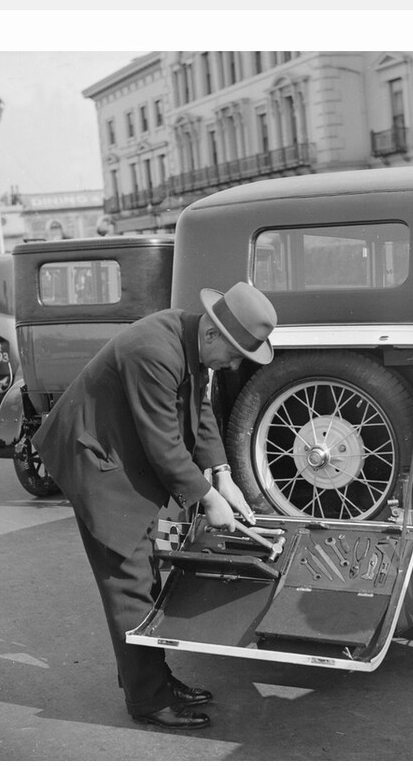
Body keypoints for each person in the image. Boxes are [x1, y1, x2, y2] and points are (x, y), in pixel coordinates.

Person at [32, 282, 277, 729]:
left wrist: (222, 474)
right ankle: (148, 701)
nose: (235, 363)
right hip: (97, 460)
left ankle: (154, 678)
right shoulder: (153, 350)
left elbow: (199, 412)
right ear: (212, 334)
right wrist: (208, 500)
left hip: (122, 457)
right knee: (130, 582)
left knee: (146, 575)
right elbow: (163, 443)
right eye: (237, 354)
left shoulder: (191, 339)